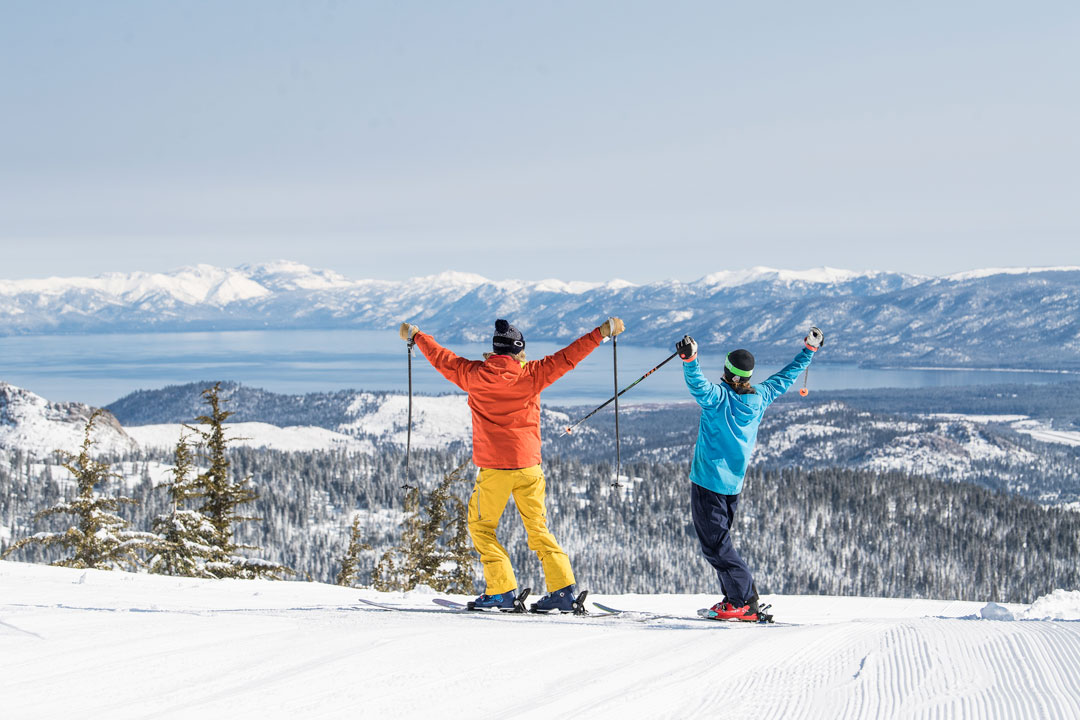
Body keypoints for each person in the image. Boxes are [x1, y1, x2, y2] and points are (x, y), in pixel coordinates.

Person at [398, 316, 626, 612]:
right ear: (519, 350)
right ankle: (563, 591)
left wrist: (416, 336)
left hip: (494, 470)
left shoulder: (473, 374)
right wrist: (602, 332)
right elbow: (569, 356)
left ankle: (501, 590)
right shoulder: (533, 374)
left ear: (494, 349)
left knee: (481, 527)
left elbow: (442, 358)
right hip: (529, 466)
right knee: (538, 528)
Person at [675, 326, 824, 621]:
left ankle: (742, 601)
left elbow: (699, 386)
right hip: (732, 486)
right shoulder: (760, 397)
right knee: (720, 542)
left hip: (708, 482)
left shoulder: (719, 398)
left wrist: (690, 359)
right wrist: (809, 349)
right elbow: (787, 376)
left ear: (728, 374)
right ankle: (739, 598)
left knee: (715, 546)